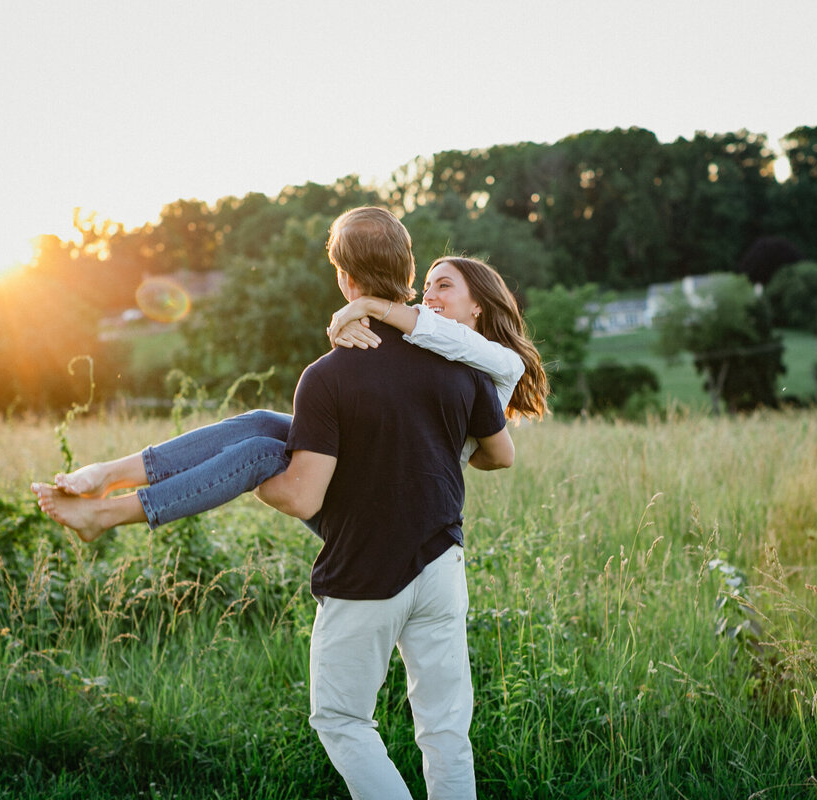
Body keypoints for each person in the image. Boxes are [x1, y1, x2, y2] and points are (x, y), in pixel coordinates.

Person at [251, 206, 512, 798]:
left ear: (345, 279)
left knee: (342, 719)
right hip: (441, 563)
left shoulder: (326, 376)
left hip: (364, 570)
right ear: (409, 270)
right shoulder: (462, 363)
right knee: (446, 728)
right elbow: (500, 455)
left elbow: (302, 498)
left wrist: (257, 479)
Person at [31, 254, 547, 543]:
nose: (428, 297)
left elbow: (496, 452)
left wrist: (366, 305)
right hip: (372, 469)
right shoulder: (438, 355)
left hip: (383, 501)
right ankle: (111, 475)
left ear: (479, 307)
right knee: (260, 421)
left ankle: (107, 516)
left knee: (261, 453)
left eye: (444, 287)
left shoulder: (500, 363)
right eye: (427, 285)